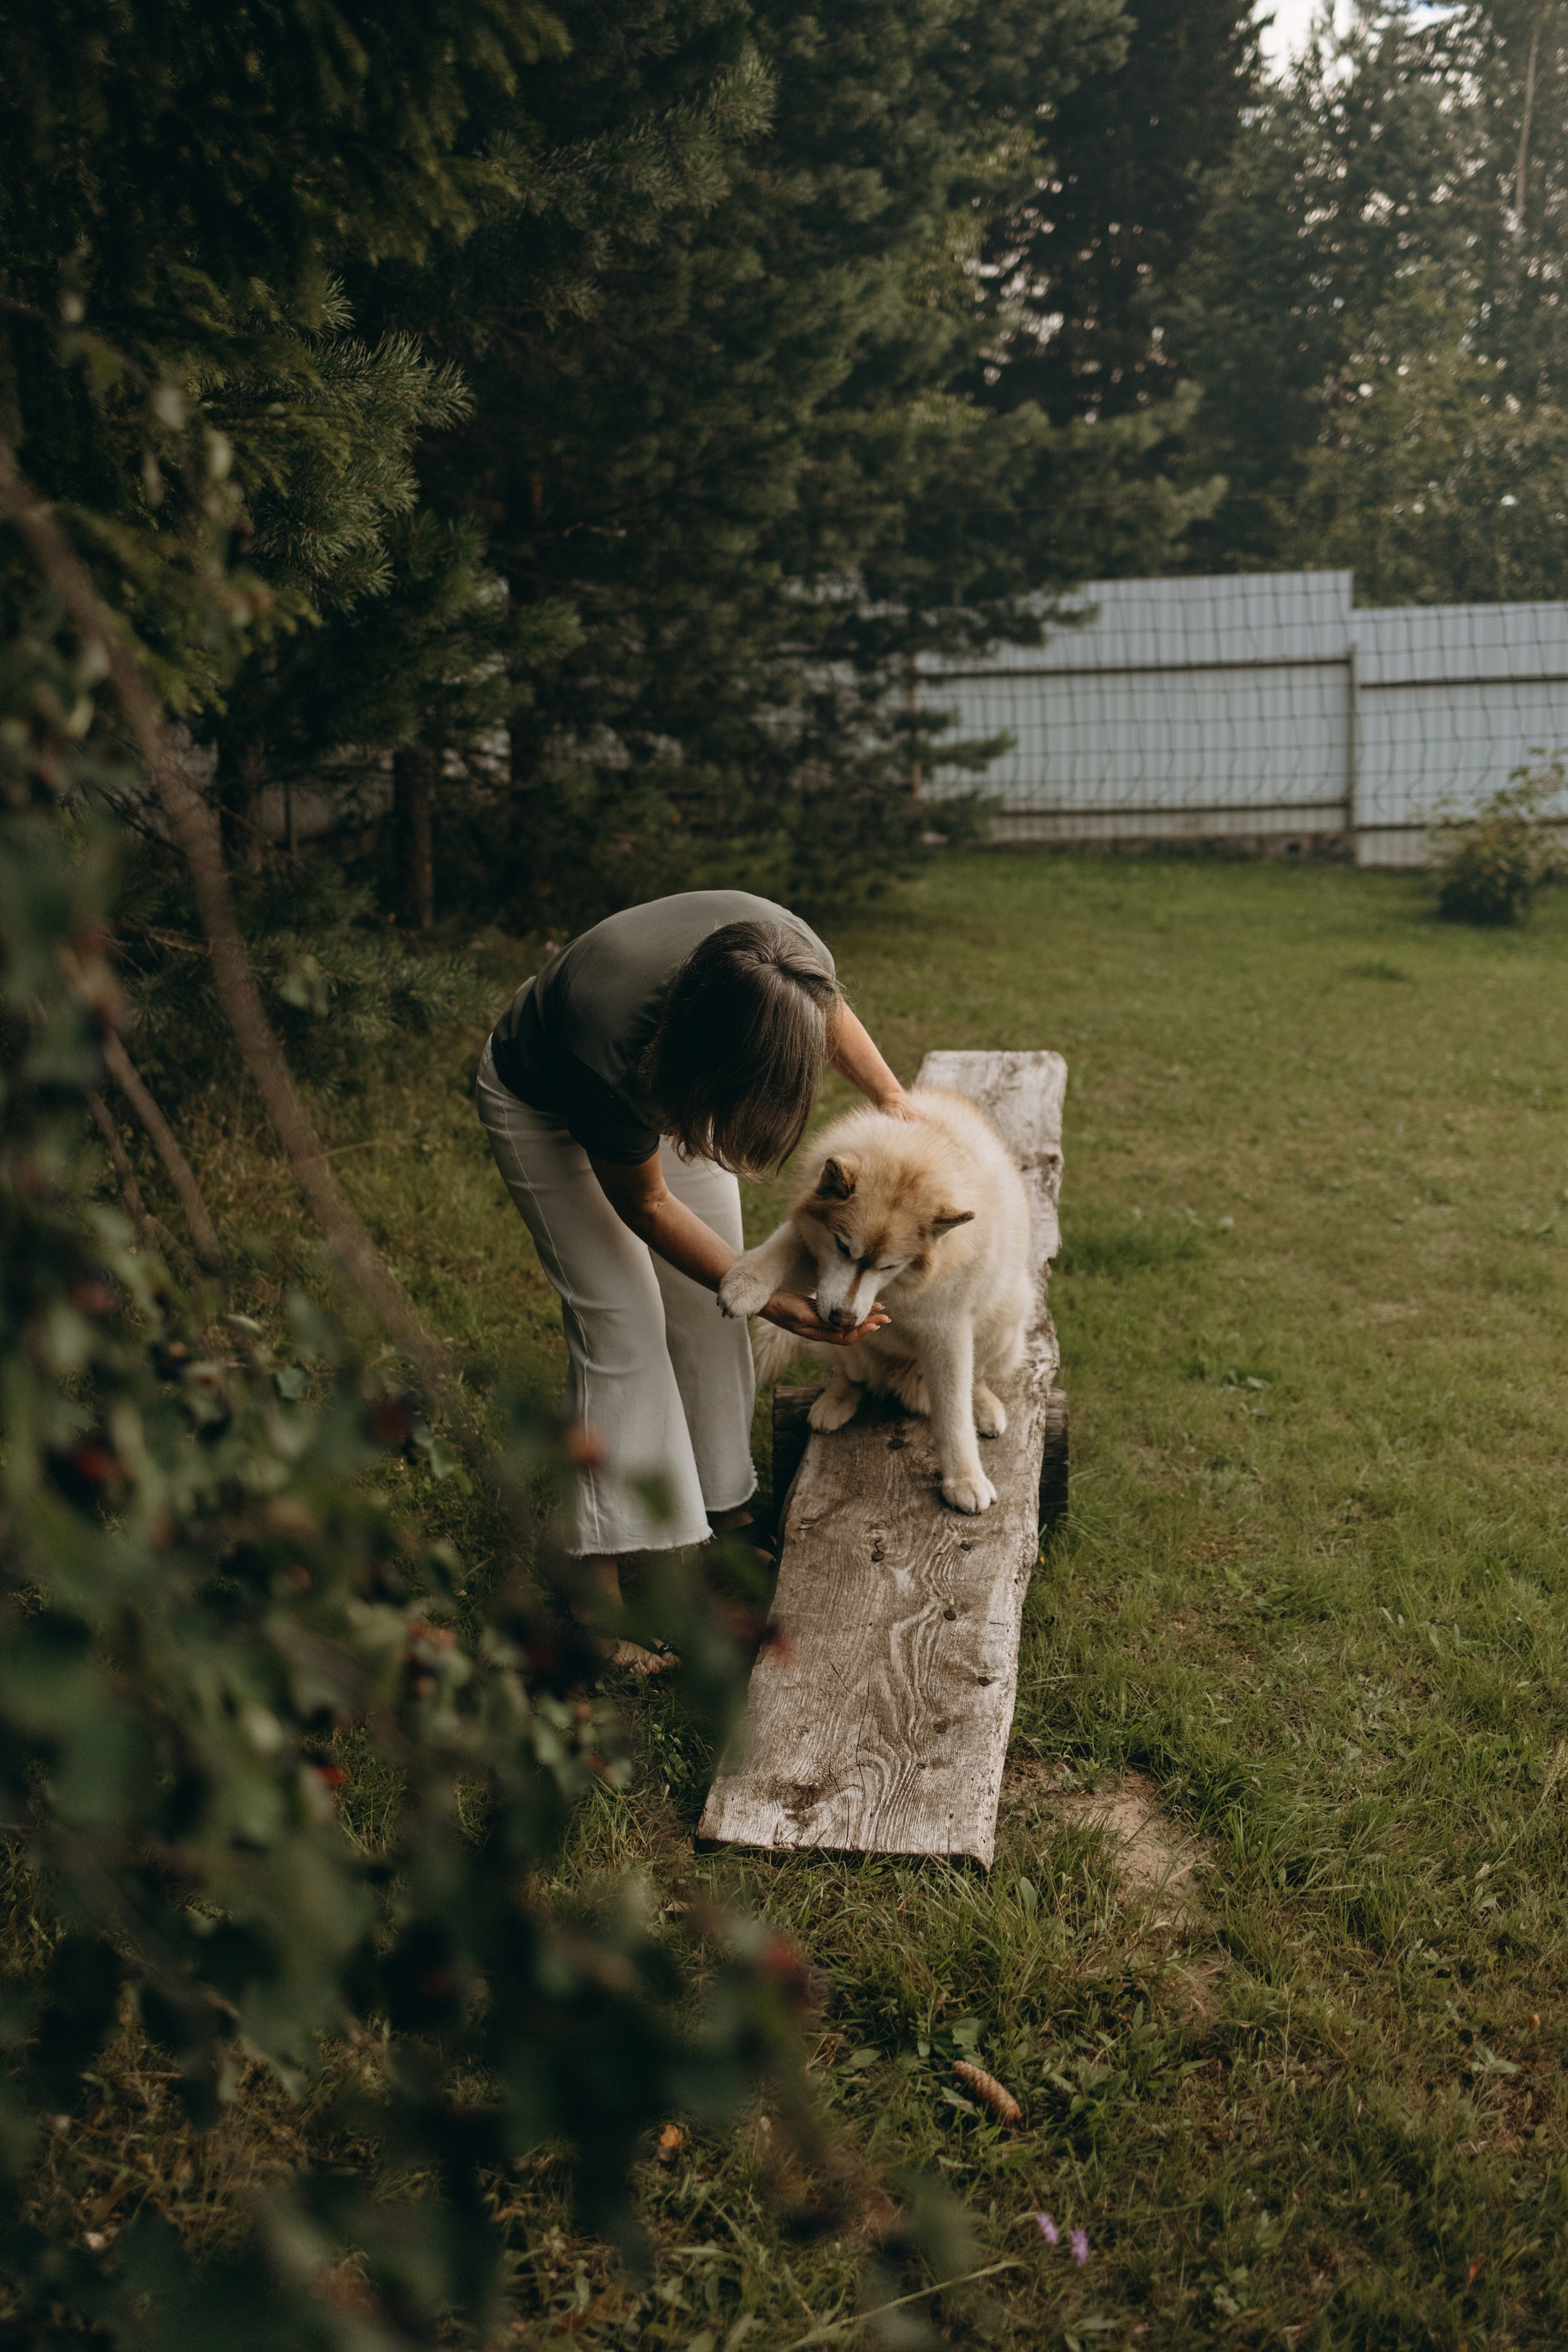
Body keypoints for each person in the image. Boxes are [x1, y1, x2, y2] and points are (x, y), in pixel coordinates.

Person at [476, 889, 911, 1661]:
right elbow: (645, 1206)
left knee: (713, 1305)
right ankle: (597, 1590)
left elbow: (829, 1015)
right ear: (719, 1062)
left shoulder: (791, 960)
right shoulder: (608, 1043)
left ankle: (725, 1512)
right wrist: (773, 1301)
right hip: (544, 1098)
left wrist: (892, 1098)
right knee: (621, 1325)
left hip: (681, 1067)